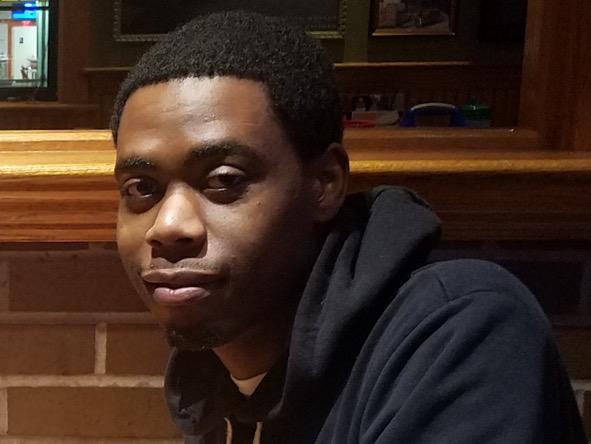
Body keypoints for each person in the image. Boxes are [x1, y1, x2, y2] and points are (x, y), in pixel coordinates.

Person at [111, 11, 586, 444]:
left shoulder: (459, 333)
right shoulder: (213, 390)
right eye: (141, 188)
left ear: (325, 183)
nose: (167, 226)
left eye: (224, 180)